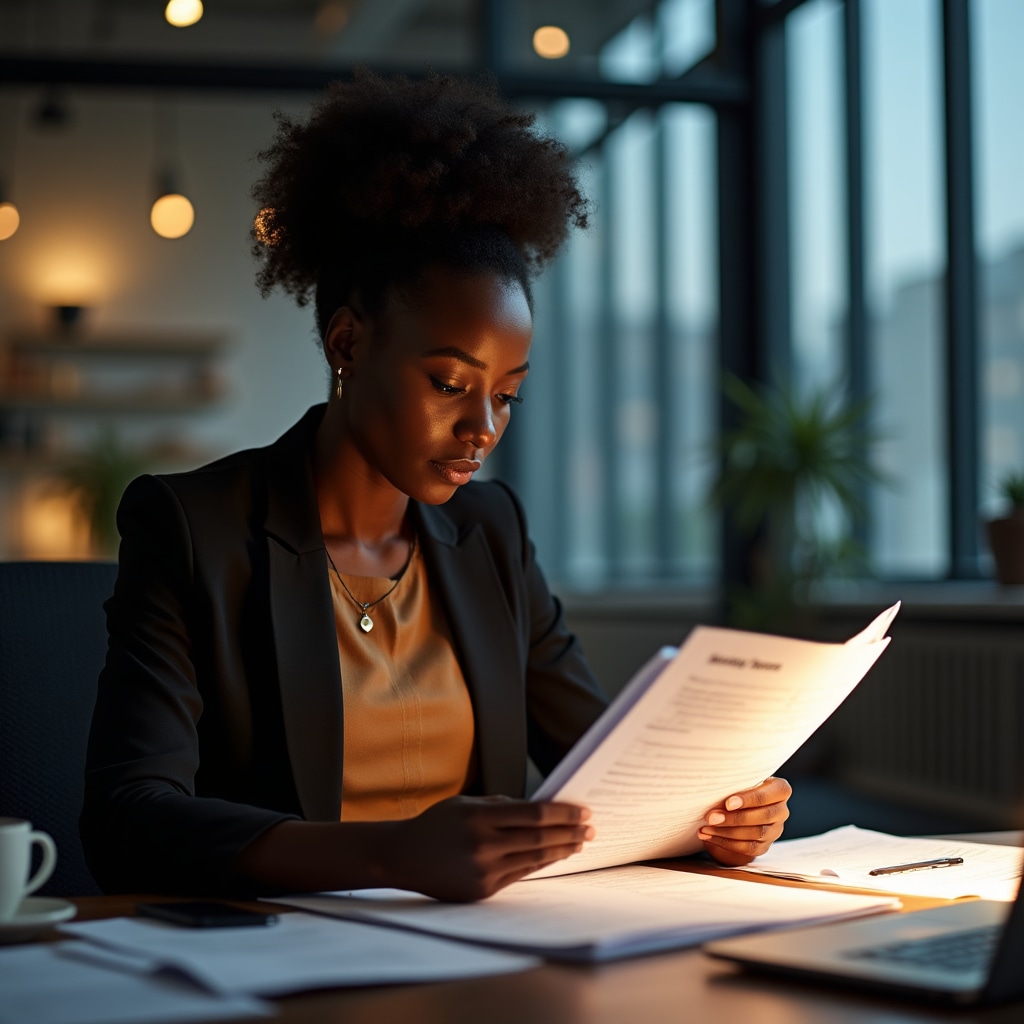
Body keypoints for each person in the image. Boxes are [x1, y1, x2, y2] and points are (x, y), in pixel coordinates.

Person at [81, 70, 791, 902]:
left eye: (508, 394)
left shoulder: (491, 530)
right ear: (347, 341)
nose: (482, 427)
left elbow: (608, 769)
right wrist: (386, 857)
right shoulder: (194, 528)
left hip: (485, 951)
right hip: (288, 961)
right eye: (450, 383)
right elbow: (127, 818)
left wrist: (715, 817)